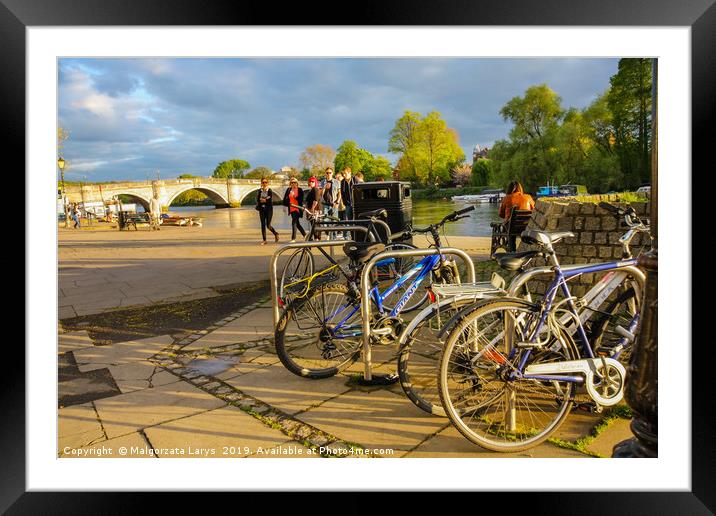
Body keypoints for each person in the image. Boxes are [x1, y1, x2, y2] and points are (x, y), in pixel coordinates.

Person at [499, 180, 535, 250]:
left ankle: (512, 251)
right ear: (520, 188)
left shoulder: (506, 198)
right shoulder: (528, 197)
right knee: (511, 226)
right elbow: (534, 210)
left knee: (509, 228)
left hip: (511, 227)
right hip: (526, 226)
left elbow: (501, 214)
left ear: (509, 189)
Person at [255, 177, 279, 245]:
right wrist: (264, 199)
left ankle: (276, 233)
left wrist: (264, 199)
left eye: (266, 182)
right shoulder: (259, 191)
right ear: (261, 183)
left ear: (268, 183)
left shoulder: (270, 190)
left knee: (268, 225)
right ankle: (264, 240)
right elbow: (258, 199)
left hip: (269, 209)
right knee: (262, 225)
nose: (264, 184)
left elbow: (269, 199)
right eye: (263, 182)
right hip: (261, 209)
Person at [283, 177, 306, 242]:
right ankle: (305, 234)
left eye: (295, 182)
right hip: (291, 208)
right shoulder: (288, 190)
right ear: (290, 184)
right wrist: (284, 206)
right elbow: (285, 199)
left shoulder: (300, 190)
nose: (293, 184)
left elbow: (301, 200)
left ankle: (293, 238)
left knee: (294, 222)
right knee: (297, 223)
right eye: (292, 182)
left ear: (297, 183)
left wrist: (294, 196)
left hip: (298, 208)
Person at [339, 167, 357, 239]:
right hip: (348, 204)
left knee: (356, 220)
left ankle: (355, 236)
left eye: (345, 173)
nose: (344, 175)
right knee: (347, 220)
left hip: (356, 204)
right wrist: (344, 203)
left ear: (350, 173)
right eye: (343, 174)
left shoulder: (355, 180)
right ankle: (347, 236)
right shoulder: (342, 182)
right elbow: (343, 193)